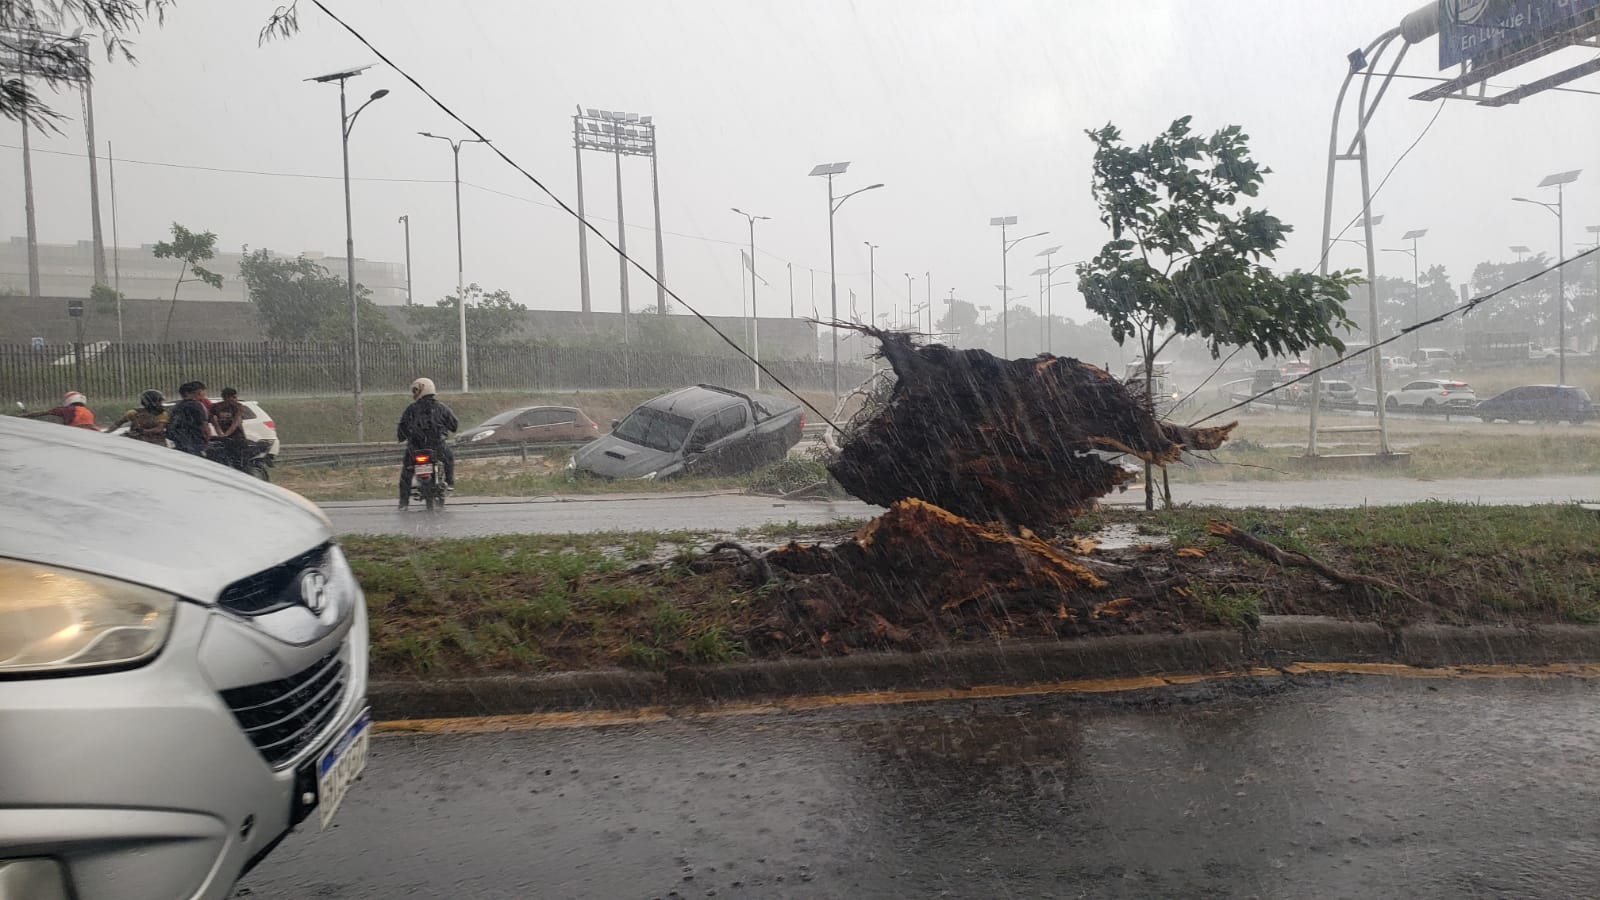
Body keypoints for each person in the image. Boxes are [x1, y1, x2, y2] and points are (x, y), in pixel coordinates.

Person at [396, 376, 458, 509]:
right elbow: (454, 425)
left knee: (406, 472)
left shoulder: (411, 409)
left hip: (415, 448)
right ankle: (449, 482)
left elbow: (402, 428)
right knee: (449, 459)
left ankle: (403, 502)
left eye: (415, 390)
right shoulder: (441, 408)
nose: (414, 393)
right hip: (437, 447)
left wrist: (403, 437)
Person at [105, 390, 169, 444]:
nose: (161, 404)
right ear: (151, 402)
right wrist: (106, 433)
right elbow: (118, 423)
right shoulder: (134, 413)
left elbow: (159, 429)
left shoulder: (162, 414)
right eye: (159, 402)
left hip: (156, 442)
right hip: (137, 442)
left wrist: (144, 431)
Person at [208, 387, 249, 467]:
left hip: (237, 435)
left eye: (235, 397)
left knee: (238, 457)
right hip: (224, 435)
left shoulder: (238, 407)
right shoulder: (216, 407)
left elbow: (236, 423)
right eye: (233, 397)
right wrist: (220, 433)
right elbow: (215, 422)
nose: (235, 399)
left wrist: (226, 434)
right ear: (226, 397)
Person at [166, 382, 209, 455]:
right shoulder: (197, 405)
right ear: (198, 392)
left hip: (179, 441)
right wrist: (207, 439)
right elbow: (204, 426)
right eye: (203, 393)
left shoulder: (177, 406)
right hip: (195, 441)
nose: (204, 395)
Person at [23, 391, 96, 429]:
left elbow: (45, 412)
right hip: (89, 429)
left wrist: (27, 415)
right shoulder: (88, 411)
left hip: (74, 431)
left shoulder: (66, 409)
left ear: (69, 399)